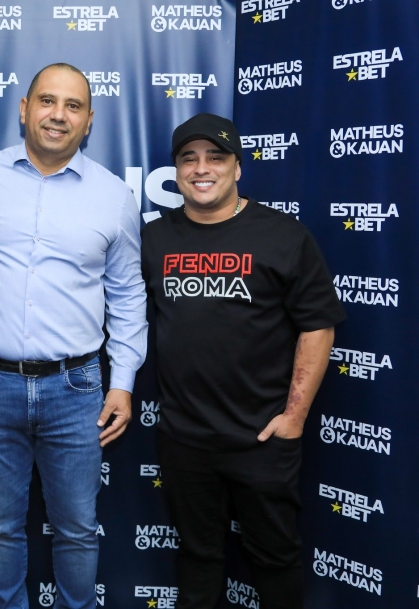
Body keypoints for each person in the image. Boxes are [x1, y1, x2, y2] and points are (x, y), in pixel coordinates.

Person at [0, 63, 147, 609]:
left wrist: (123, 382)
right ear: (23, 109)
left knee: (79, 528)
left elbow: (128, 295)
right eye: (47, 101)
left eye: (73, 106)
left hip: (76, 389)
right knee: (0, 527)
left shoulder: (113, 196)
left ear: (88, 122)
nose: (58, 115)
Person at [141, 113, 346, 609]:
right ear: (176, 171)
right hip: (184, 439)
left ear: (238, 167)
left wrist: (293, 417)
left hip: (262, 438)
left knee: (274, 559)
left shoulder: (283, 235)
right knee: (197, 558)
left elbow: (318, 325)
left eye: (216, 157)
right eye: (189, 159)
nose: (201, 168)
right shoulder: (152, 239)